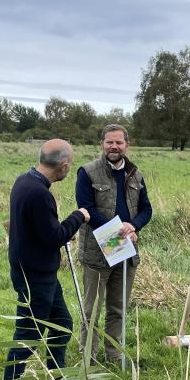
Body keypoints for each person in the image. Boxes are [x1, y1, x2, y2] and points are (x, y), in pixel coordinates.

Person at [3, 139, 90, 380]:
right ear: (63, 166)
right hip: (34, 275)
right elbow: (54, 237)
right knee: (28, 333)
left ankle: (56, 377)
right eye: (70, 164)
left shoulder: (24, 180)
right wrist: (79, 216)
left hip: (40, 271)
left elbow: (39, 230)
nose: (69, 168)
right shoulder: (39, 193)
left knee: (62, 324)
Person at [75, 124, 153, 365]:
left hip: (126, 250)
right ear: (102, 144)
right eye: (109, 142)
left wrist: (134, 226)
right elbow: (87, 208)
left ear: (127, 145)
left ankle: (114, 354)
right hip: (97, 251)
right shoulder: (87, 172)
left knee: (118, 307)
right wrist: (119, 230)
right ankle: (88, 356)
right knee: (91, 309)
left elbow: (146, 209)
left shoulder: (135, 174)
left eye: (119, 142)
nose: (114, 147)